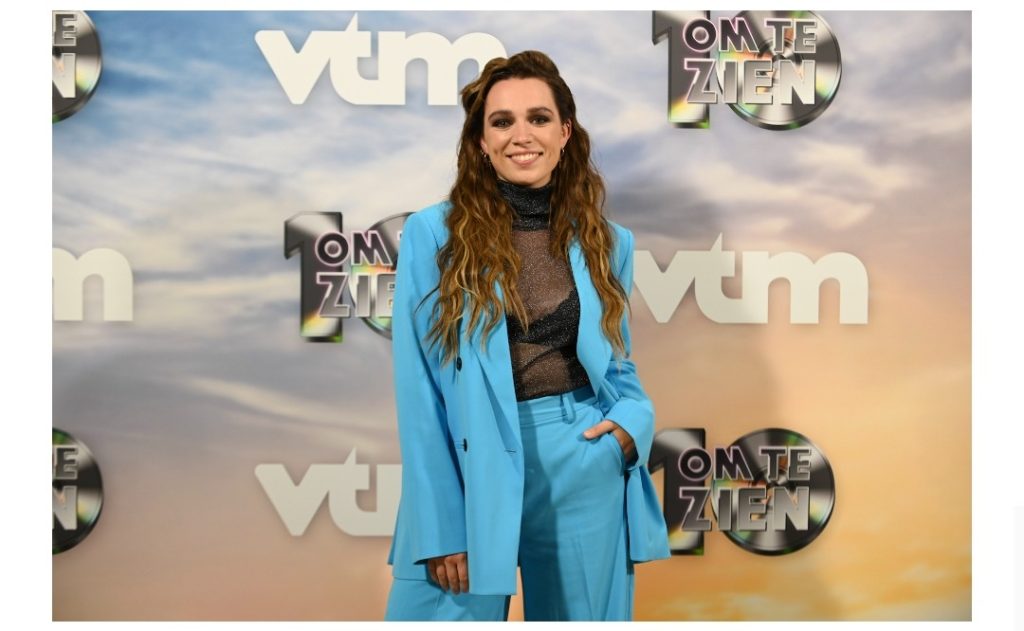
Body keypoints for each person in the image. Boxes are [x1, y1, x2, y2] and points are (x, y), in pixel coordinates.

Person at [384, 50, 669, 622]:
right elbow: (419, 388)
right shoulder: (432, 235)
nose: (522, 135)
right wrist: (441, 524)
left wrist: (631, 426)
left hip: (582, 454)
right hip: (473, 461)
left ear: (565, 132)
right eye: (502, 121)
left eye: (538, 118)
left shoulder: (609, 242)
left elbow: (616, 365)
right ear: (481, 141)